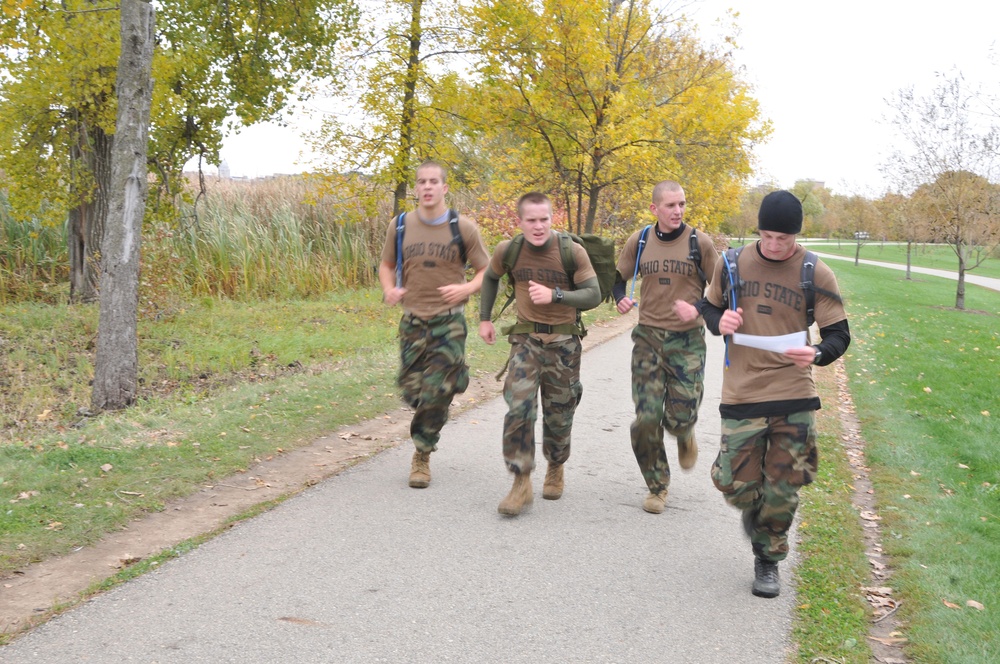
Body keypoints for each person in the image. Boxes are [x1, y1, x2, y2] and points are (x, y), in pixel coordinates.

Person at [677, 190, 851, 598]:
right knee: (736, 486)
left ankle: (768, 560)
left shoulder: (815, 271)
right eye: (768, 236)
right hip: (742, 391)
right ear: (758, 230)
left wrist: (818, 352)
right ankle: (754, 512)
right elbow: (707, 308)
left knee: (784, 486)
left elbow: (839, 334)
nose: (775, 246)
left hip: (794, 392)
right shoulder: (731, 263)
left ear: (797, 236)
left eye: (784, 239)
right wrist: (721, 321)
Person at [478, 192, 601, 516]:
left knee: (559, 416)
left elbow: (594, 295)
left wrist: (556, 295)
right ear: (520, 222)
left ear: (552, 218)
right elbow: (490, 278)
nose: (538, 226)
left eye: (544, 219)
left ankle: (556, 464)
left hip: (563, 345)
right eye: (531, 220)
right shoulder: (510, 250)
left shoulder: (570, 251)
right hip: (526, 342)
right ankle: (520, 481)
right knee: (519, 405)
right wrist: (485, 318)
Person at [379, 161, 490, 489]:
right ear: (415, 188)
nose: (427, 187)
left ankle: (422, 454)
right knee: (413, 390)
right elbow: (386, 265)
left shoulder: (463, 228)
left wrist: (467, 288)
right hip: (412, 321)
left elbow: (487, 270)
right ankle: (454, 378)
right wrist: (389, 289)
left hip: (449, 321)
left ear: (444, 188)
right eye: (421, 182)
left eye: (433, 182)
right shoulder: (399, 226)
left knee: (436, 392)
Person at [612, 180, 718, 514]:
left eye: (682, 204)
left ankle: (684, 432)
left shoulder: (699, 242)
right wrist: (620, 298)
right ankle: (657, 486)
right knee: (646, 418)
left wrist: (699, 308)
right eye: (670, 205)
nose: (678, 211)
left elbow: (721, 288)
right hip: (648, 338)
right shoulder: (640, 240)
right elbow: (617, 277)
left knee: (678, 416)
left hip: (687, 342)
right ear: (654, 209)